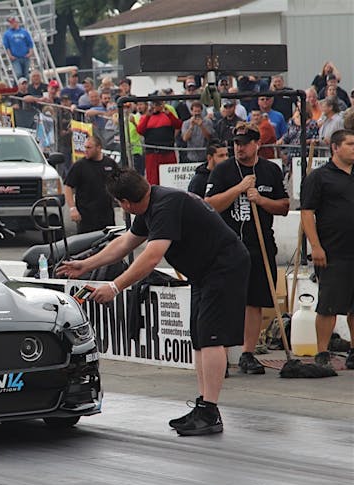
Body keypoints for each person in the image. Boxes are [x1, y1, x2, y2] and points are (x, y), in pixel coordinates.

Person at [57, 168, 249, 436]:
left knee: (211, 338)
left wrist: (115, 286)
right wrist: (85, 264)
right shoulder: (152, 202)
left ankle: (210, 411)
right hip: (204, 272)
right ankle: (204, 406)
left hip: (224, 268)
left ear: (125, 204)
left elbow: (151, 257)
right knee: (199, 336)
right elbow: (125, 243)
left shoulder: (165, 206)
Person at [205, 122, 289, 374]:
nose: (239, 148)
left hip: (260, 244)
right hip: (228, 246)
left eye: (244, 143)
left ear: (257, 144)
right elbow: (210, 204)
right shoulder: (223, 170)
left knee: (255, 301)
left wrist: (261, 199)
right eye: (236, 144)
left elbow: (284, 206)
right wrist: (238, 189)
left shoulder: (270, 170)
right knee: (227, 300)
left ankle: (247, 353)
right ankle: (221, 355)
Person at [300, 129, 354, 369]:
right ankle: (322, 351)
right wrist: (315, 246)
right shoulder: (319, 177)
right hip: (332, 251)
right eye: (350, 144)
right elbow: (307, 213)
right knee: (328, 306)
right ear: (335, 147)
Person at [64, 135, 119, 233]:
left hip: (106, 215)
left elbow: (119, 185)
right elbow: (68, 186)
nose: (85, 150)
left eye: (89, 148)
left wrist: (123, 204)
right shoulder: (79, 166)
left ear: (99, 148)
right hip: (86, 217)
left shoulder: (110, 164)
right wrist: (72, 208)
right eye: (85, 147)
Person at [136, 100, 182, 185]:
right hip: (152, 154)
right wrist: (147, 116)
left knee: (170, 181)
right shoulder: (145, 117)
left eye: (158, 104)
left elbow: (178, 125)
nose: (156, 106)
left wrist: (169, 114)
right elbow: (140, 130)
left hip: (168, 153)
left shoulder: (168, 115)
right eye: (154, 104)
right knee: (153, 181)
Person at [2, 15, 34, 80]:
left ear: (17, 22)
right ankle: (17, 84)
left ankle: (25, 85)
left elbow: (29, 43)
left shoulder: (24, 32)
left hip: (25, 56)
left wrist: (30, 52)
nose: (11, 24)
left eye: (12, 22)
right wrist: (10, 55)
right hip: (15, 58)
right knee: (18, 73)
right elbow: (6, 46)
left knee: (26, 74)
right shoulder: (7, 34)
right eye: (10, 23)